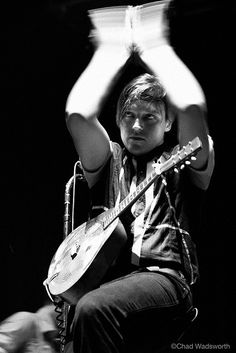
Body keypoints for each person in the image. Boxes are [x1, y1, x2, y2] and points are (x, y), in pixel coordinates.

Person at [64, 1, 214, 352]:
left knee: (91, 309)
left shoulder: (180, 158)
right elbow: (77, 115)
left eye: (149, 117)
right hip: (110, 285)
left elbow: (191, 107)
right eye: (128, 115)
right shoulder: (110, 159)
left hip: (165, 281)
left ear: (168, 124)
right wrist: (111, 51)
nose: (135, 124)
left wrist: (155, 46)